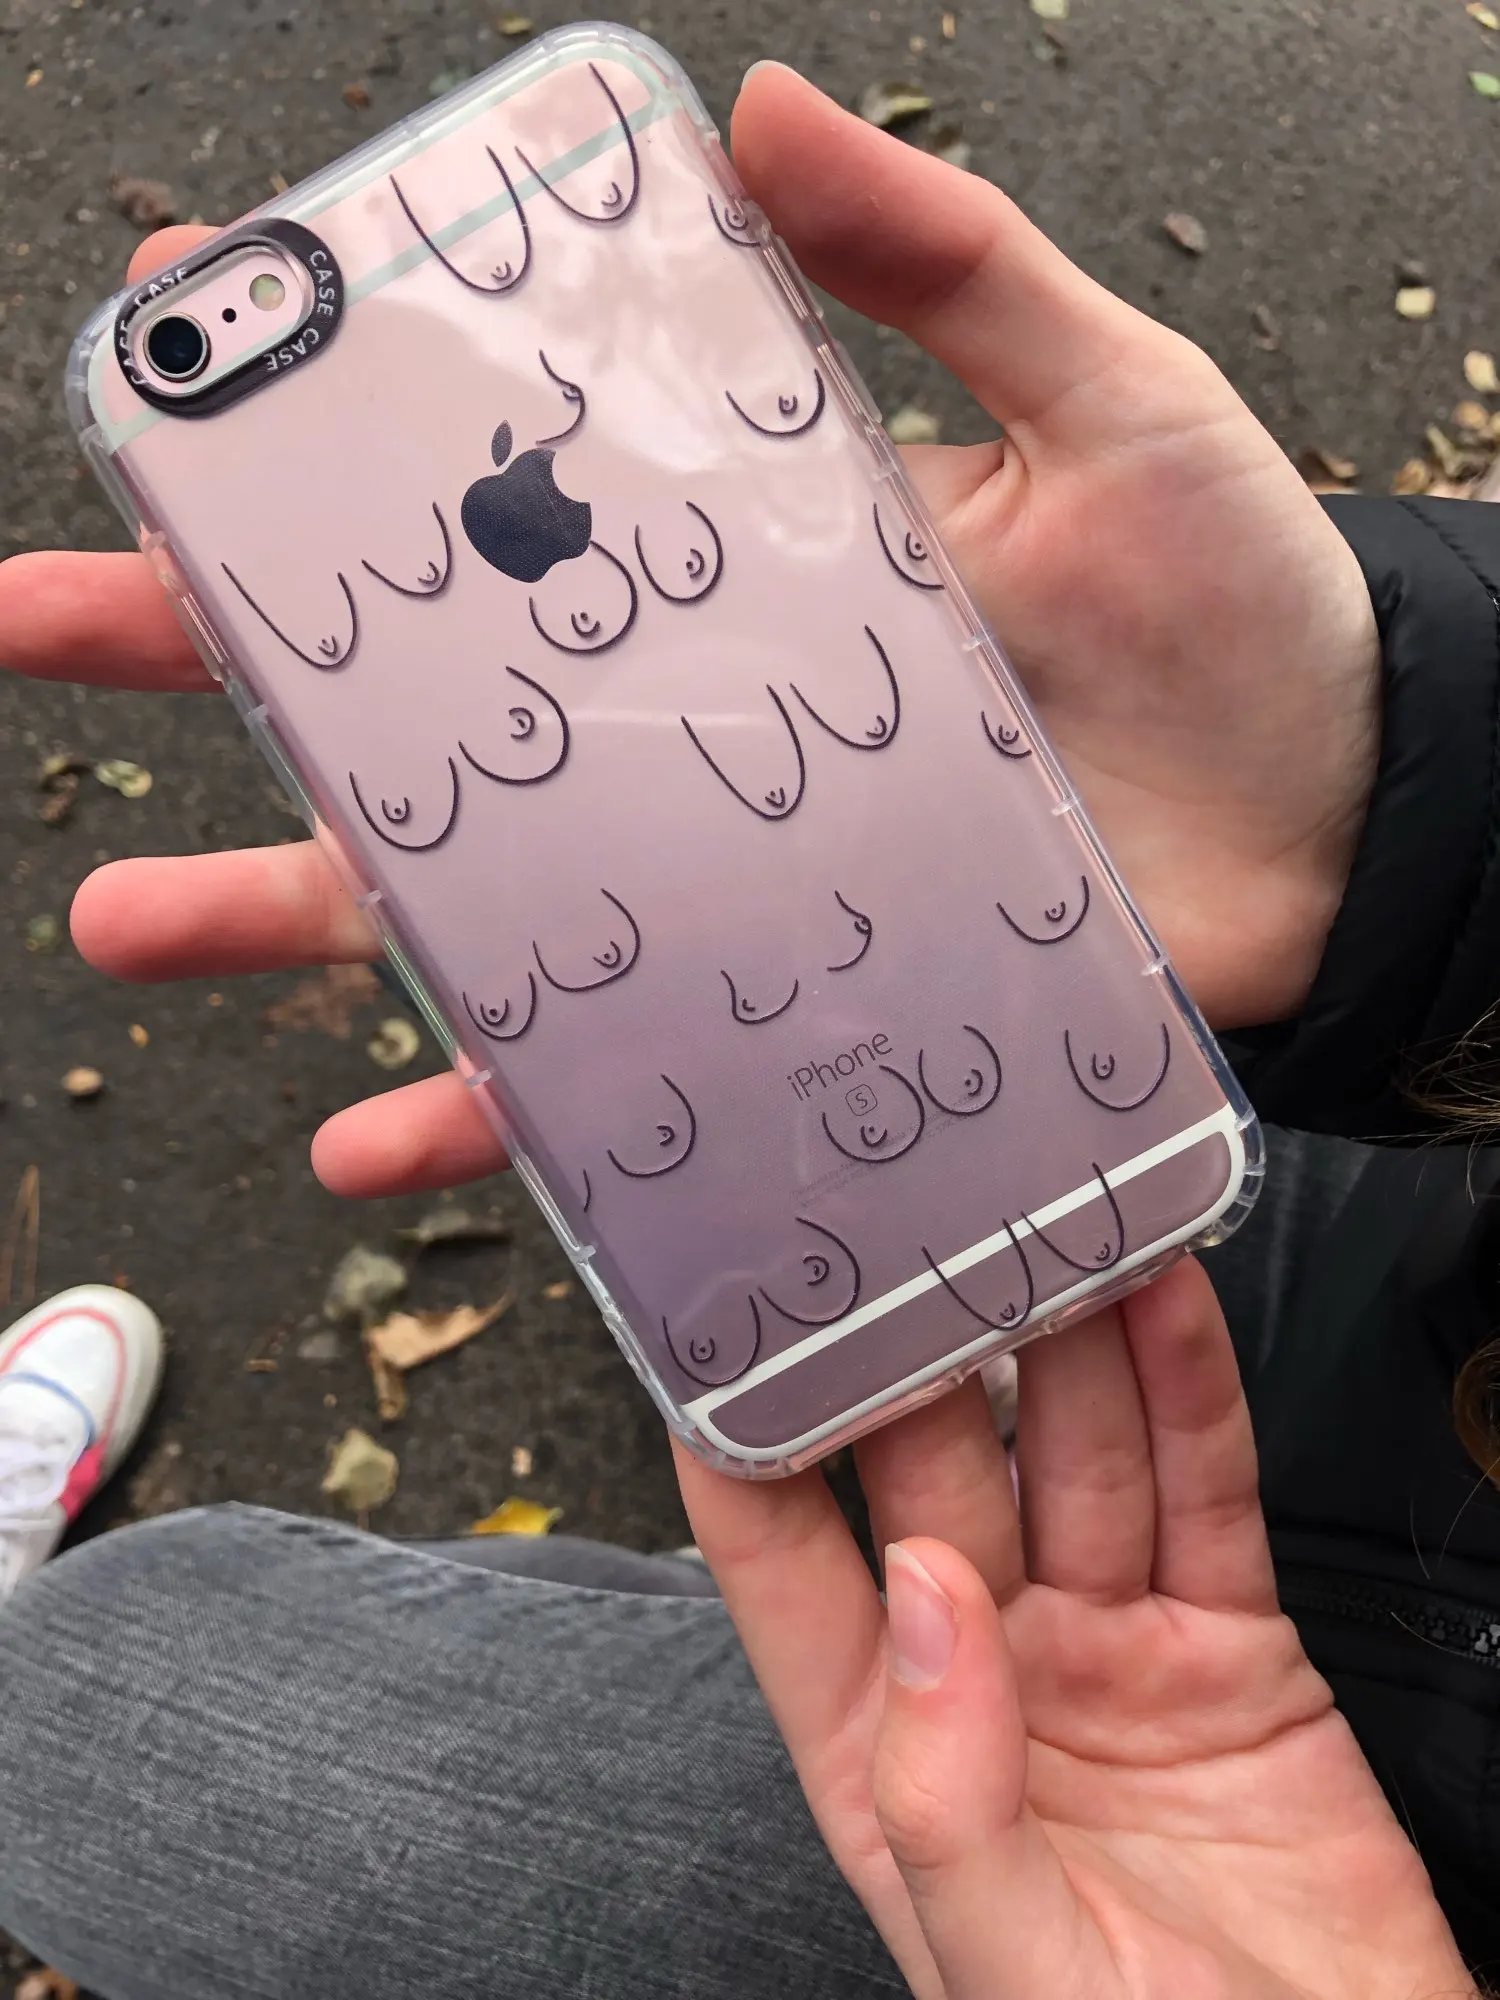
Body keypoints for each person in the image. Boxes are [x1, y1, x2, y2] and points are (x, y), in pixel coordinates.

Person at [1, 58, 1498, 2000]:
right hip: (1414, 1272)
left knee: (83, 1687)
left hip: (1328, 1837)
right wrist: (1417, 802)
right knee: (795, 1236)